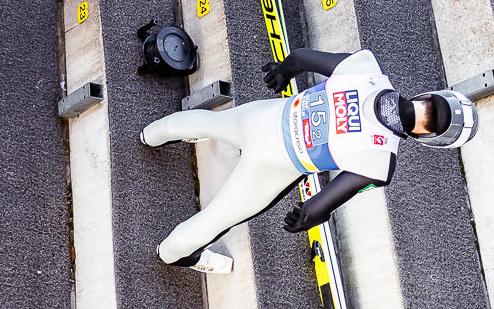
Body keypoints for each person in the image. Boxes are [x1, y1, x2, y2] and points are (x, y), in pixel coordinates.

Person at [140, 48, 479, 274]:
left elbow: (301, 57)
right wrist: (304, 219)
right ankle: (172, 254)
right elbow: (319, 206)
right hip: (271, 166)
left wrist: (281, 72)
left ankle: (151, 134)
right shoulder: (379, 162)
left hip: (266, 116)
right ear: (431, 137)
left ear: (427, 96)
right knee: (215, 219)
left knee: (208, 122)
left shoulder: (366, 68)